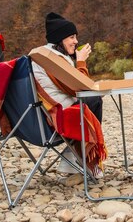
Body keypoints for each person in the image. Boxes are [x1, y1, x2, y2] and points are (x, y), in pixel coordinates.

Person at [31, 12, 104, 176]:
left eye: (75, 37)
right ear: (59, 38)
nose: (76, 41)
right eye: (71, 37)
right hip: (55, 117)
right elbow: (80, 88)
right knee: (93, 100)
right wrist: (81, 61)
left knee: (92, 99)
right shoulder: (51, 58)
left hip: (40, 116)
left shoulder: (47, 55)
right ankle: (80, 156)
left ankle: (72, 155)